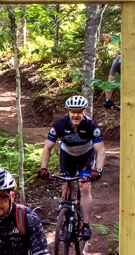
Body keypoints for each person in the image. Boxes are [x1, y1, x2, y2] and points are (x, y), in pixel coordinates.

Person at [38, 95, 106, 241]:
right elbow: (47, 148)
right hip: (67, 155)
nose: (75, 115)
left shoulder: (91, 126)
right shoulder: (60, 124)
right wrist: (43, 168)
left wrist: (98, 170)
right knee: (66, 185)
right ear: (68, 111)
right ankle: (63, 225)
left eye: (79, 111)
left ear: (84, 112)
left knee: (85, 186)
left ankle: (86, 225)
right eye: (72, 111)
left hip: (86, 156)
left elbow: (100, 150)